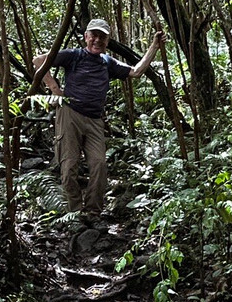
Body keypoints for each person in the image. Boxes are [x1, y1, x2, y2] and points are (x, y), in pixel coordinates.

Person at [34, 18, 165, 217]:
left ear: (107, 40)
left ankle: (93, 212)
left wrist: (154, 46)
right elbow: (38, 60)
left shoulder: (107, 62)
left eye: (102, 37)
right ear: (86, 37)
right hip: (70, 114)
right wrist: (54, 88)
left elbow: (136, 72)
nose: (97, 40)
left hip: (95, 119)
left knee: (99, 164)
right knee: (69, 166)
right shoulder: (74, 55)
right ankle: (74, 212)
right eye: (93, 35)